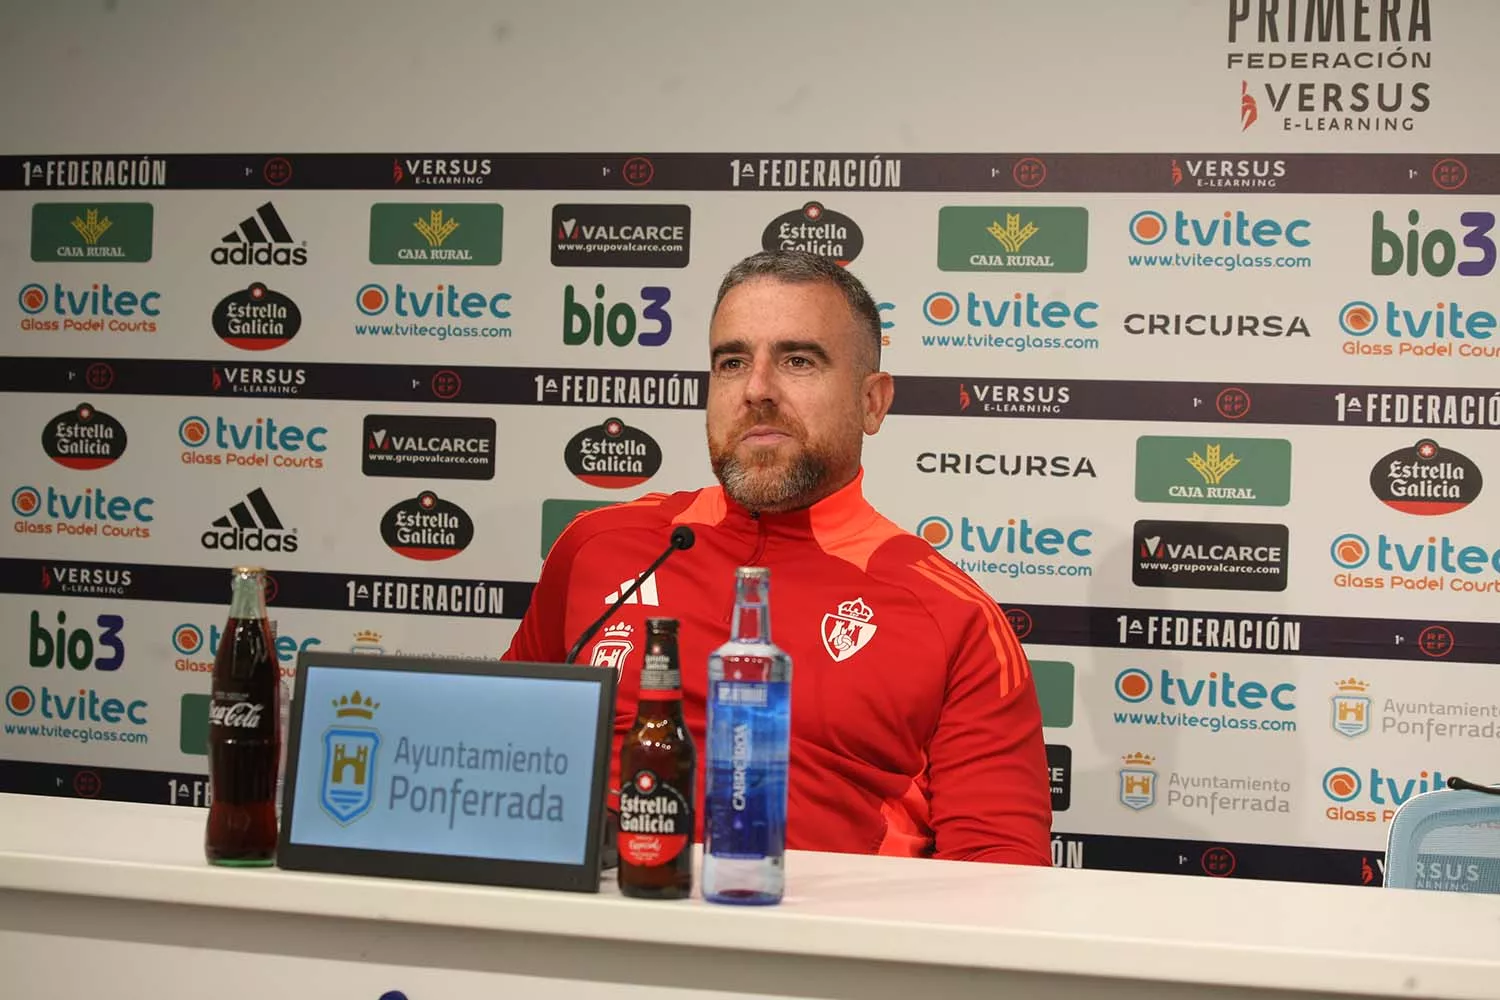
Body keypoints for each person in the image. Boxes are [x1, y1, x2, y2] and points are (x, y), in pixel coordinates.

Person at [503, 249, 1052, 865]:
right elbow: (499, 757)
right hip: (591, 915)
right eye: (732, 362)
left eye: (798, 360)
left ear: (872, 402)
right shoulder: (599, 546)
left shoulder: (953, 617)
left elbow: (1001, 874)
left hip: (828, 927)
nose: (757, 390)